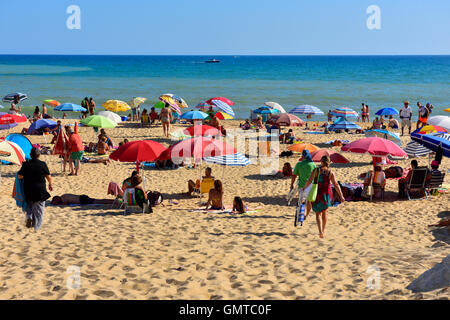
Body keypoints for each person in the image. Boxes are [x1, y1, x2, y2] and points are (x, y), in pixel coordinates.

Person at [302, 156, 345, 238]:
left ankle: (320, 231)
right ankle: (323, 231)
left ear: (321, 162)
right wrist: (341, 196)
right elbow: (336, 185)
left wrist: (304, 187)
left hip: (317, 193)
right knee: (324, 213)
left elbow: (309, 181)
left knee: (318, 213)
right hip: (326, 194)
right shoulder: (330, 172)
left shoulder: (316, 170)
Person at [17, 147, 53, 231]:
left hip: (29, 189)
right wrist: (50, 184)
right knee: (39, 211)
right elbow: (48, 176)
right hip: (40, 190)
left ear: (30, 155)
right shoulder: (42, 164)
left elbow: (20, 176)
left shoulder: (26, 164)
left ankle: (29, 217)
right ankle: (37, 228)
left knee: (29, 206)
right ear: (39, 155)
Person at [290, 150, 317, 220]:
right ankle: (307, 214)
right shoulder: (313, 164)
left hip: (302, 185)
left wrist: (291, 184)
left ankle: (300, 213)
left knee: (301, 200)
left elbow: (294, 176)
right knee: (309, 201)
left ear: (302, 156)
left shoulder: (299, 164)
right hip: (311, 185)